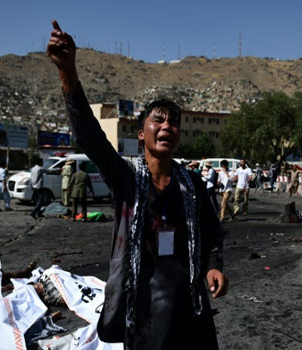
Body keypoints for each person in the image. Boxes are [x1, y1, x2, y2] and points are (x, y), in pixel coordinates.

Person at [48, 20, 227, 349]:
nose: (166, 126)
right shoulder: (127, 178)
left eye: (174, 122)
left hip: (190, 305)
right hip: (143, 309)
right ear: (141, 134)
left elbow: (213, 233)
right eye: (157, 120)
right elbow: (89, 136)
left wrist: (214, 267)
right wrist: (67, 72)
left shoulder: (193, 184)